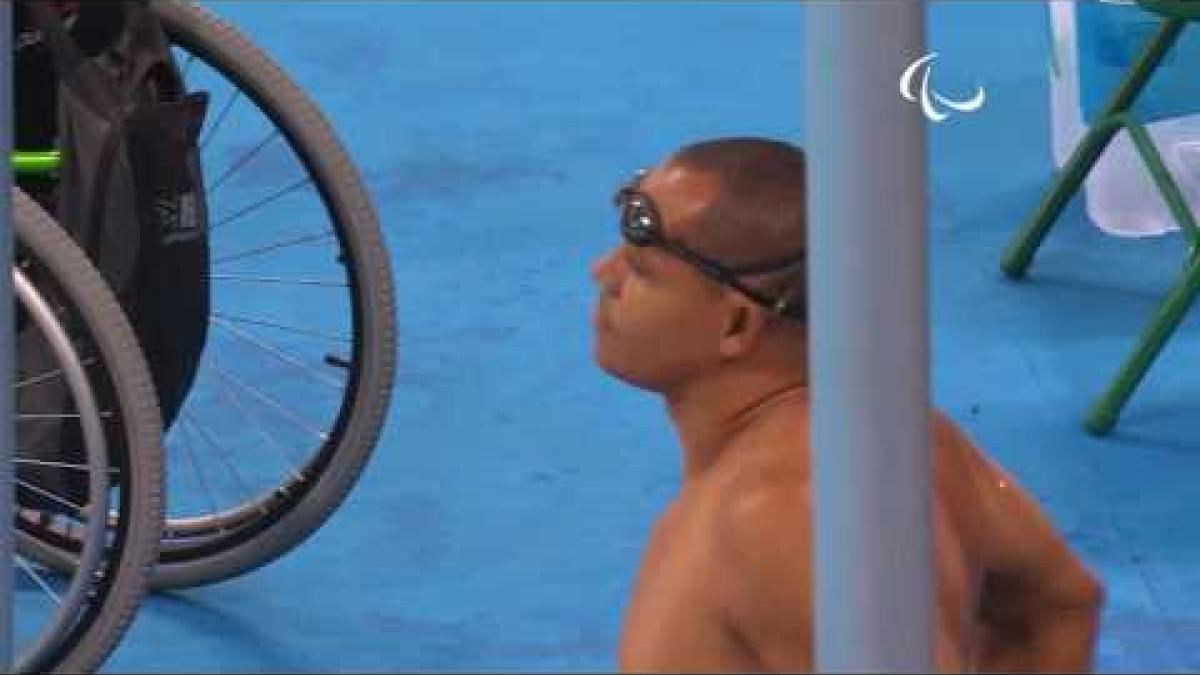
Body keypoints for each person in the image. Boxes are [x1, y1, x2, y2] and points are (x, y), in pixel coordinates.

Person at [590, 137, 1105, 672]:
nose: (602, 274)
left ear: (737, 323)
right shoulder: (911, 435)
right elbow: (1059, 604)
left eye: (641, 271)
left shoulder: (780, 519)